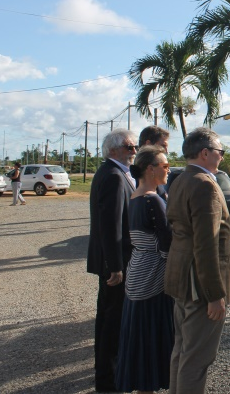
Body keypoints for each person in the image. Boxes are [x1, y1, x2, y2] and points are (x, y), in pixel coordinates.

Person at [164, 127, 230, 394]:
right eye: (220, 151)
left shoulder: (180, 179)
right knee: (196, 359)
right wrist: (214, 294)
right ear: (205, 153)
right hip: (199, 285)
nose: (222, 156)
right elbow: (206, 245)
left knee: (182, 350)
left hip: (182, 277)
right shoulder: (205, 185)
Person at [115, 145, 174, 393]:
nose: (168, 170)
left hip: (138, 269)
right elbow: (167, 243)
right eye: (165, 165)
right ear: (150, 169)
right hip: (153, 274)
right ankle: (149, 383)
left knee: (139, 333)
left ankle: (142, 384)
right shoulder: (153, 200)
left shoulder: (136, 196)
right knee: (152, 333)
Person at [87, 128, 138, 392]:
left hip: (115, 262)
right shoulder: (114, 176)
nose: (134, 151)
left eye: (135, 146)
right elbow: (111, 226)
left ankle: (108, 375)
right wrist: (115, 266)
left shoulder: (115, 173)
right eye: (130, 147)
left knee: (109, 319)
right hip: (116, 265)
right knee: (112, 322)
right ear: (114, 150)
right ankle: (108, 380)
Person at [138, 125, 170, 200]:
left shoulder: (155, 175)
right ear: (148, 144)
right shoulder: (137, 176)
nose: (166, 151)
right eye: (163, 146)